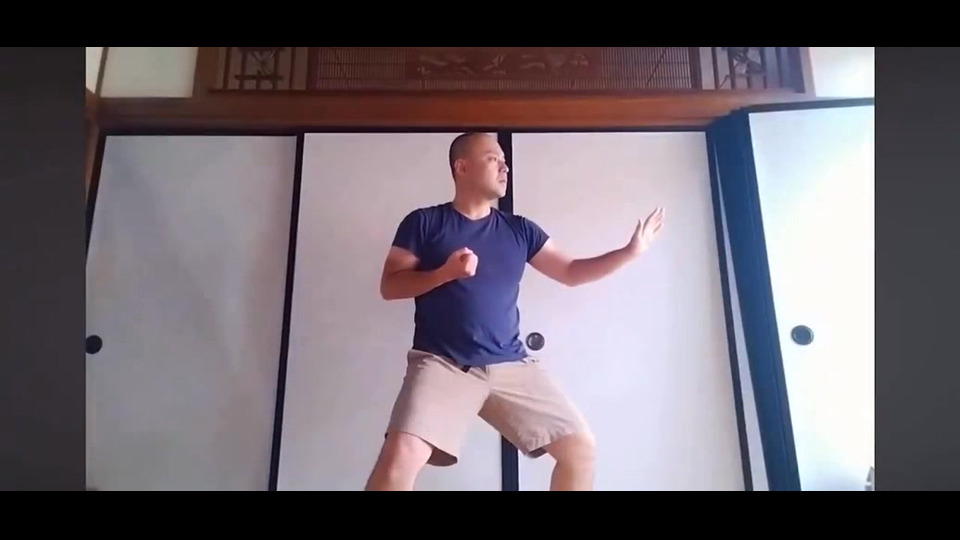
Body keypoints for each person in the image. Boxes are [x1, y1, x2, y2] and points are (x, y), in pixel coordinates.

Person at [364, 132, 664, 491]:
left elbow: (570, 271)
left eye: (505, 161)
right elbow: (390, 286)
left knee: (580, 449)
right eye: (493, 158)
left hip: (511, 363)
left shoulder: (520, 229)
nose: (504, 167)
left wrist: (629, 252)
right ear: (462, 167)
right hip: (443, 363)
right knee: (399, 457)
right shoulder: (424, 222)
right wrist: (445, 273)